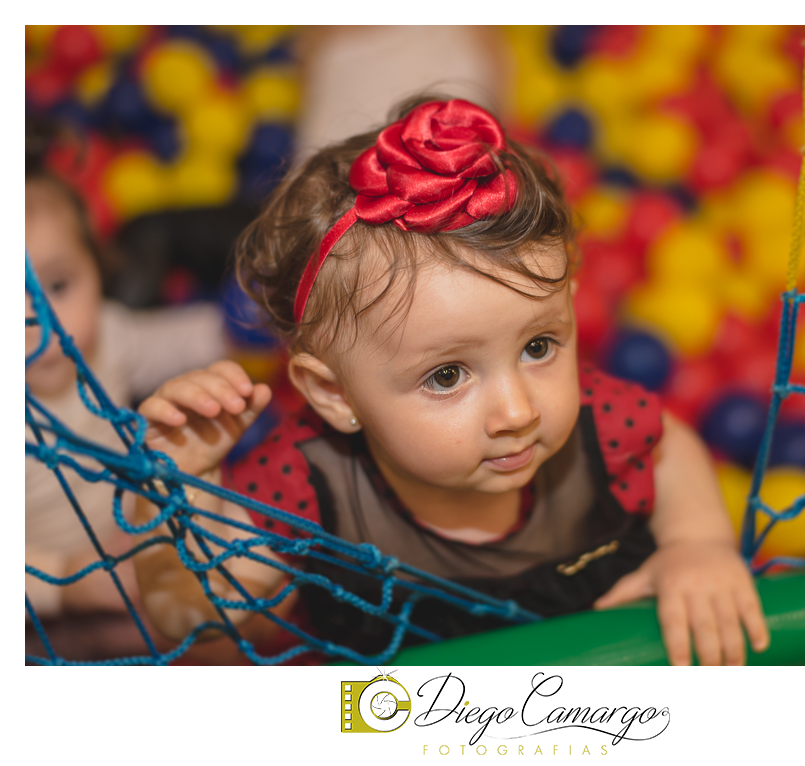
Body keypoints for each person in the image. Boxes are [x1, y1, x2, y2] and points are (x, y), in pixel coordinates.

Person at [133, 96, 770, 666]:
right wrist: (171, 493)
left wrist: (698, 545)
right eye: (446, 375)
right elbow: (197, 623)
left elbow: (668, 449)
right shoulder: (306, 485)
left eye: (539, 345)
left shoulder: (602, 421)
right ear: (334, 394)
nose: (517, 409)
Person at [25, 166, 228, 633]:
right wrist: (61, 584)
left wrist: (231, 328)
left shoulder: (105, 337)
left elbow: (165, 343)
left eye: (57, 286)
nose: (39, 324)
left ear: (97, 269)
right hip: (52, 601)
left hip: (131, 535)